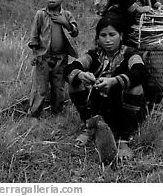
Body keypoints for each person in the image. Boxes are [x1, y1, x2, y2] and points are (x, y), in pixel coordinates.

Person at [64, 13, 150, 164]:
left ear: (121, 35)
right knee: (74, 83)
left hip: (123, 108)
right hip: (100, 106)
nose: (108, 40)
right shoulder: (93, 54)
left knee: (136, 86)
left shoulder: (130, 54)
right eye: (103, 35)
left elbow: (141, 72)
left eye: (112, 34)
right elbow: (71, 68)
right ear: (97, 38)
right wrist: (81, 75)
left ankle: (124, 138)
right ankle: (90, 127)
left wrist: (114, 81)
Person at [27, 0, 79, 117]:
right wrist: (34, 53)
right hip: (43, 58)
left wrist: (66, 23)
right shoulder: (41, 15)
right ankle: (34, 113)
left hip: (61, 59)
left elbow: (75, 32)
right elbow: (34, 35)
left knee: (58, 87)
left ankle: (57, 112)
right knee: (40, 88)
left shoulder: (66, 15)